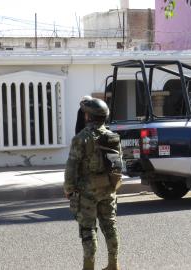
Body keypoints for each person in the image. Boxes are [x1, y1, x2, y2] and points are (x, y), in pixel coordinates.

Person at [64, 97, 122, 270]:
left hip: (87, 192)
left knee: (88, 231)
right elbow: (118, 165)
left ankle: (88, 267)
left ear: (88, 116)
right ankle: (113, 264)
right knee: (110, 226)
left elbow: (71, 167)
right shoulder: (113, 137)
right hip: (108, 189)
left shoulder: (81, 138)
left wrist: (68, 188)